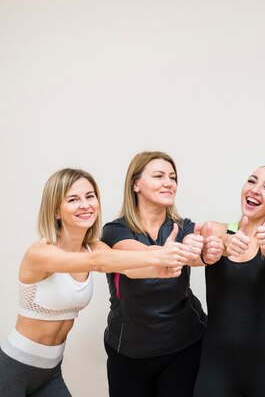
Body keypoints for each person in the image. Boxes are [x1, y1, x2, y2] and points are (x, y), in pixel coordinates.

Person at [0, 168, 196, 397]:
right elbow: (97, 262)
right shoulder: (41, 253)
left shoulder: (94, 246)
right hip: (12, 369)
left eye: (90, 196)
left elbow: (129, 268)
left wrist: (167, 264)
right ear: (55, 210)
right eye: (73, 199)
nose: (85, 205)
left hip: (49, 373)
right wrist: (159, 255)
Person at [101, 151, 223, 397]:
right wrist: (167, 254)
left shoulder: (183, 226)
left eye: (172, 177)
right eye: (159, 176)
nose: (169, 182)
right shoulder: (115, 231)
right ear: (136, 184)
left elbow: (196, 246)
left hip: (184, 345)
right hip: (128, 352)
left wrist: (207, 250)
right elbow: (133, 262)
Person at [193, 165, 265, 397]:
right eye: (252, 181)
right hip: (216, 359)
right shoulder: (216, 229)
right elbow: (212, 238)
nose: (256, 190)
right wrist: (223, 243)